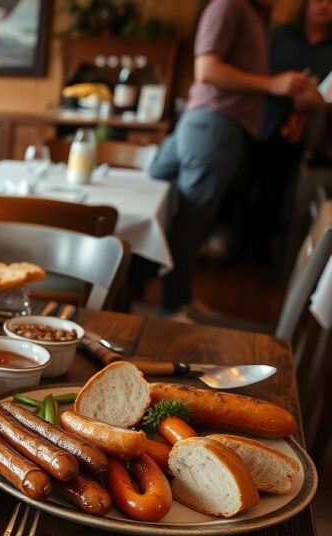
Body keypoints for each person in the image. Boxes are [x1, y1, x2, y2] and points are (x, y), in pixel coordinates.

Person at [148, 0, 312, 319]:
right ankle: (169, 308)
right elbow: (206, 70)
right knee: (190, 219)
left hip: (213, 126)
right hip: (213, 126)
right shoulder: (228, 5)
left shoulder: (255, 16)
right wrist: (272, 84)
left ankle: (178, 298)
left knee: (185, 213)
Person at [249, 0, 331, 261]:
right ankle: (236, 248)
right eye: (319, 0)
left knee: (279, 191)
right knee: (247, 185)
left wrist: (314, 97)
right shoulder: (280, 35)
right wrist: (283, 85)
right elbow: (257, 71)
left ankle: (264, 250)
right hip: (264, 117)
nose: (325, 6)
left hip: (303, 128)